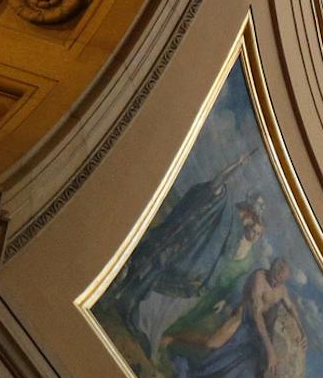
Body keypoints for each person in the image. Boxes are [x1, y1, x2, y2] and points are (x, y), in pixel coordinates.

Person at [110, 150, 266, 355]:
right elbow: (215, 185)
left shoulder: (236, 231)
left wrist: (207, 280)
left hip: (193, 269)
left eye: (253, 221)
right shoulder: (225, 204)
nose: (250, 223)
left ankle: (138, 320)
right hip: (179, 246)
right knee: (147, 273)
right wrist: (235, 165)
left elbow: (222, 258)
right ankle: (122, 302)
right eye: (251, 217)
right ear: (247, 211)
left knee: (160, 295)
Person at [172, 259, 296, 378]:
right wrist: (270, 350)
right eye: (275, 278)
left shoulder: (281, 290)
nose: (275, 283)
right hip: (243, 318)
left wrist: (302, 331)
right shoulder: (259, 278)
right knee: (211, 343)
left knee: (247, 375)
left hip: (254, 335)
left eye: (280, 281)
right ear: (270, 270)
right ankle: (174, 338)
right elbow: (257, 315)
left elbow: (291, 306)